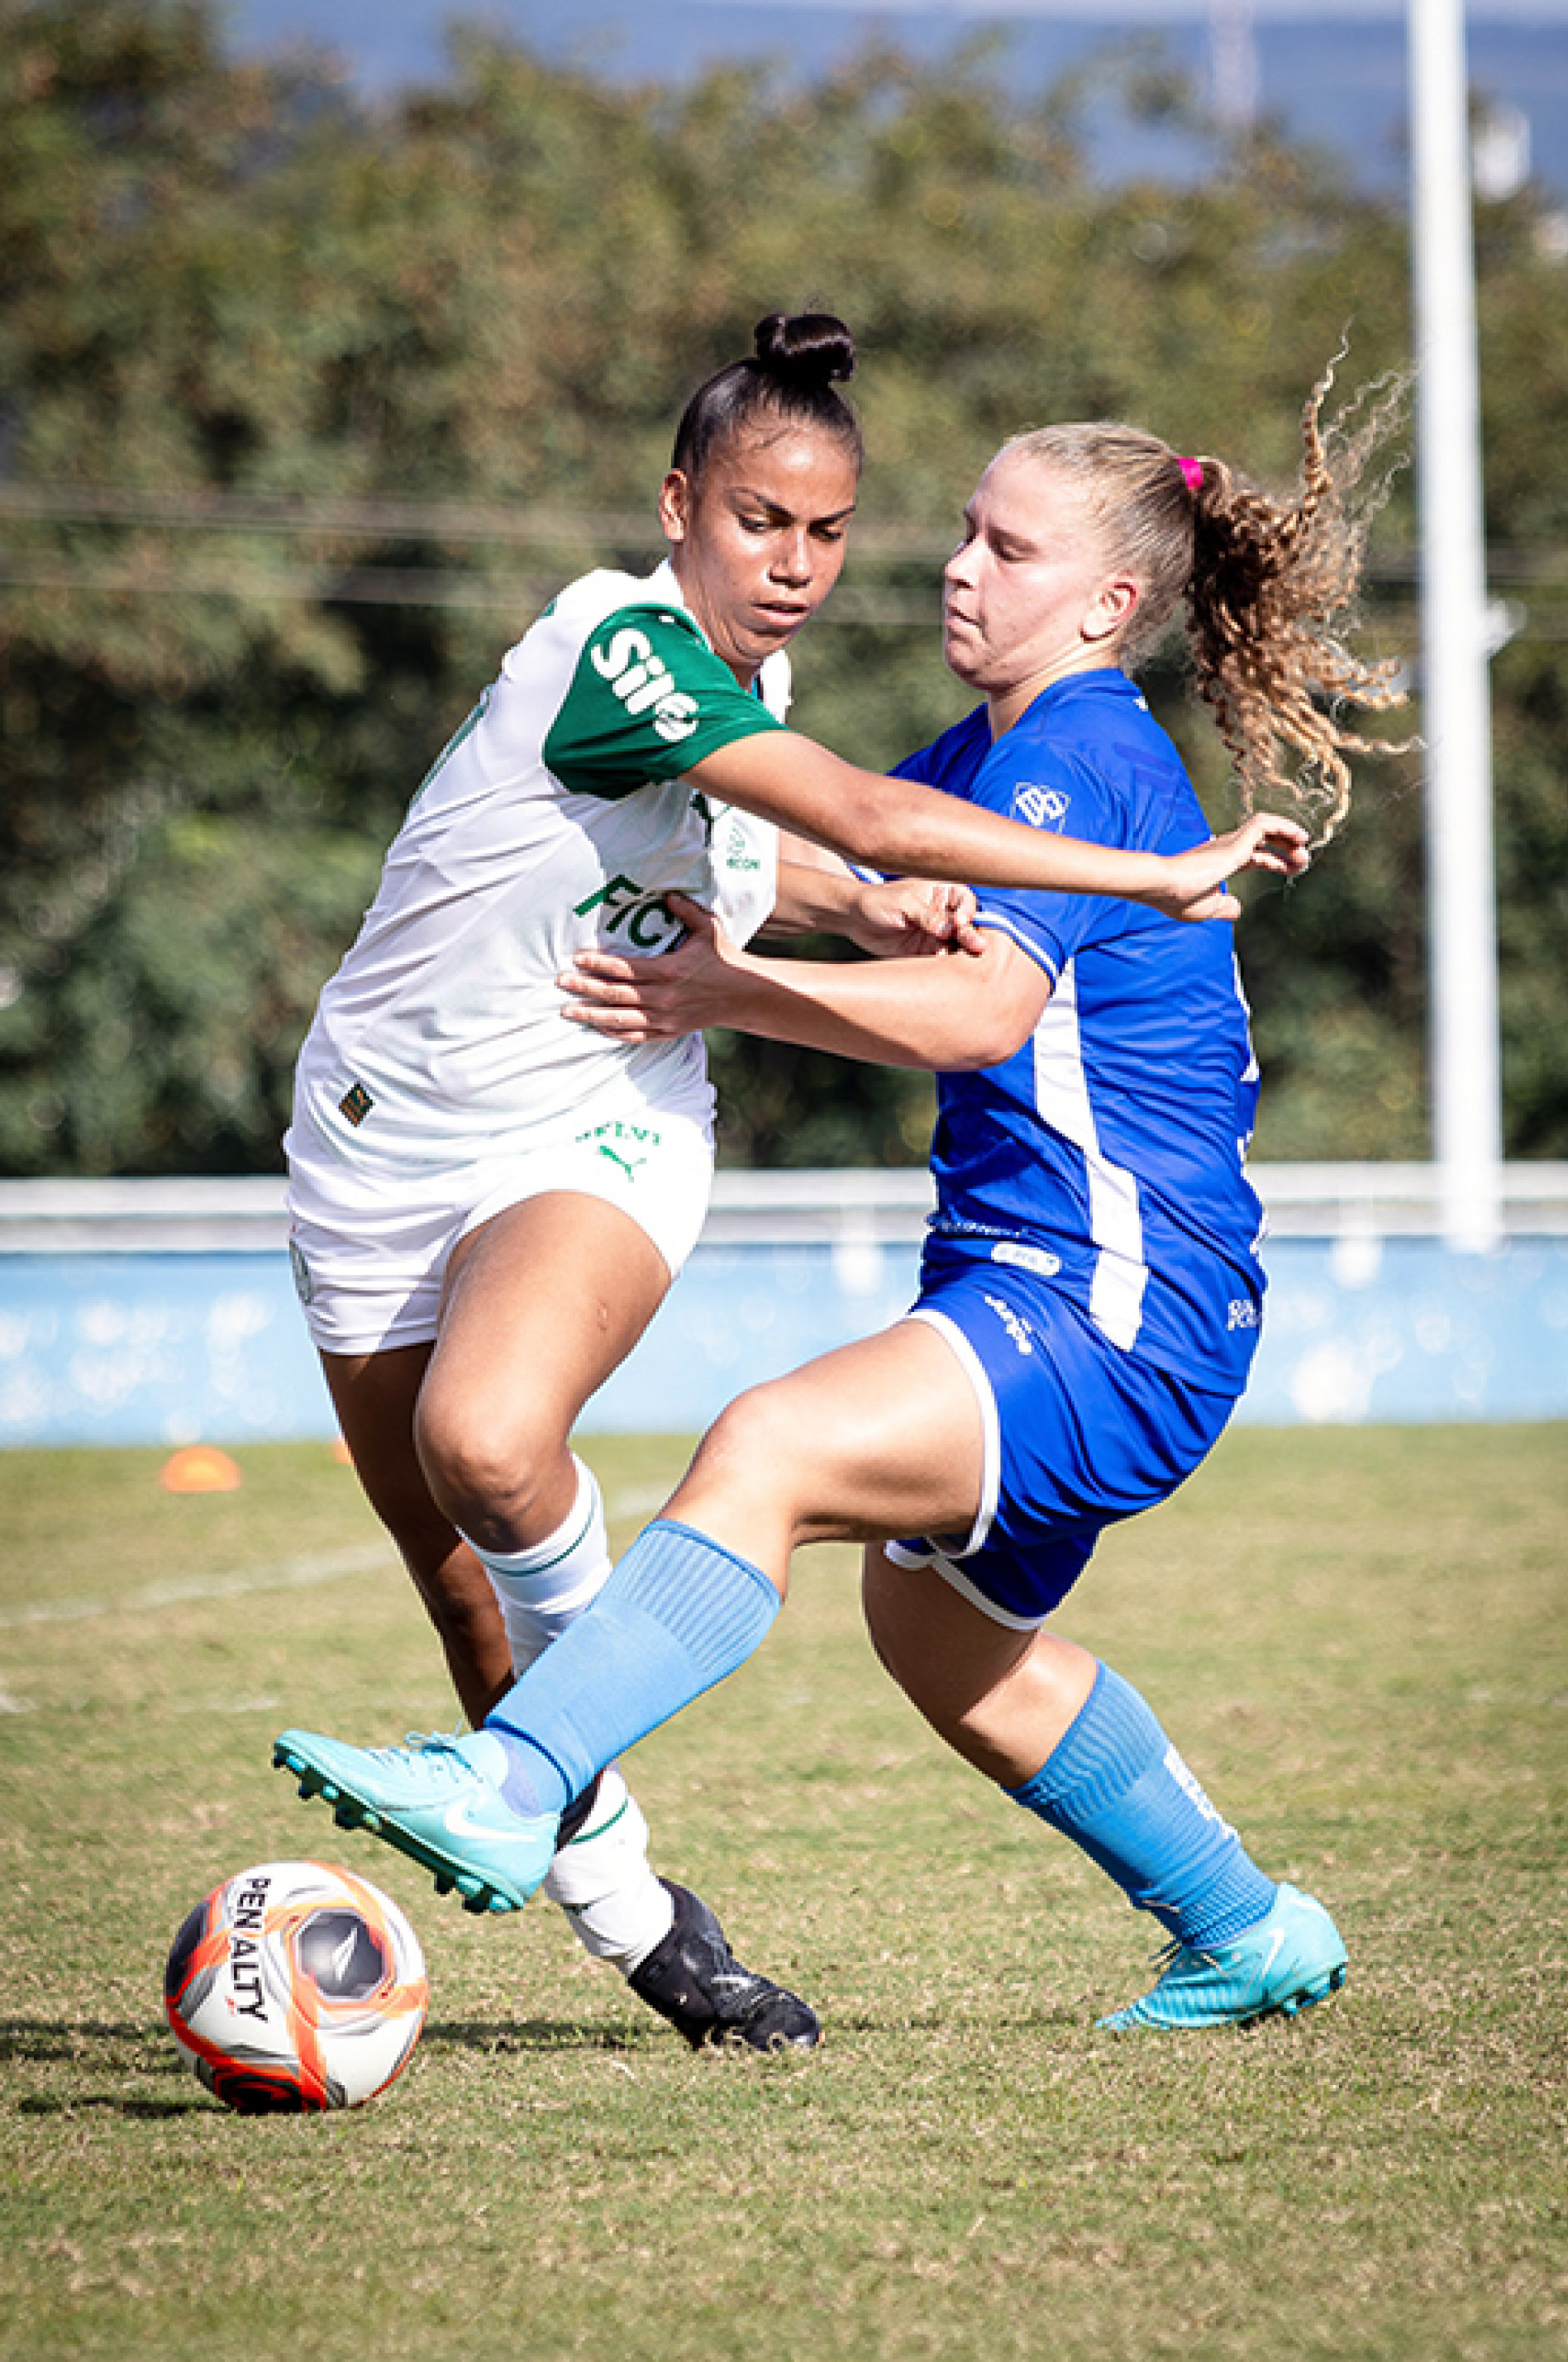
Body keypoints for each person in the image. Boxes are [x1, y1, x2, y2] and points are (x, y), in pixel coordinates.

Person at [273, 322, 1338, 2038]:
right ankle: (1245, 1926)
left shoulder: (1079, 751)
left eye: (1005, 547)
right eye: (962, 531)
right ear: (682, 504)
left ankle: (511, 1779)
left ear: (1102, 610)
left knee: (764, 1447)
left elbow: (982, 1003)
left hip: (1101, 1300)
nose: (952, 568)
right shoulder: (982, 762)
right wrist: (840, 912)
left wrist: (735, 988)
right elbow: (831, 854)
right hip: (1075, 1291)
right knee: (941, 1650)